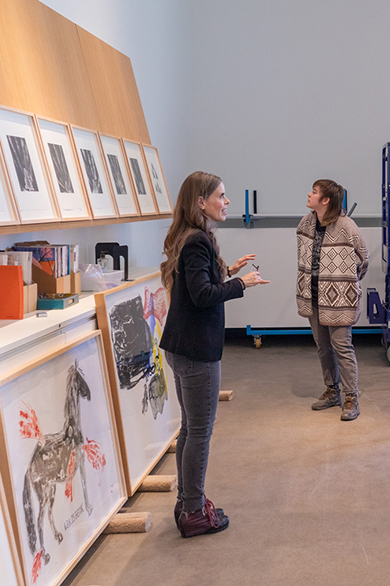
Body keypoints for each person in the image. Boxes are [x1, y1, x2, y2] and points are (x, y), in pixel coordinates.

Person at [160, 171, 269, 538]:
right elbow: (203, 295)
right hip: (195, 351)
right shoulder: (197, 242)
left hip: (182, 347)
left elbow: (199, 282)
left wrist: (229, 269)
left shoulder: (191, 238)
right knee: (199, 432)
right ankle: (193, 510)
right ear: (200, 202)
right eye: (221, 196)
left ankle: (187, 500)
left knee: (190, 429)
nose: (226, 202)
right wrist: (241, 283)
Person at [297, 179, 369, 421]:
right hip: (313, 295)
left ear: (326, 200)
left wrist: (343, 284)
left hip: (339, 299)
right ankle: (332, 390)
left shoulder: (347, 226)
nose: (309, 194)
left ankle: (351, 396)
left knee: (342, 347)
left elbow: (362, 260)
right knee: (323, 347)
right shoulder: (306, 223)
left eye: (314, 192)